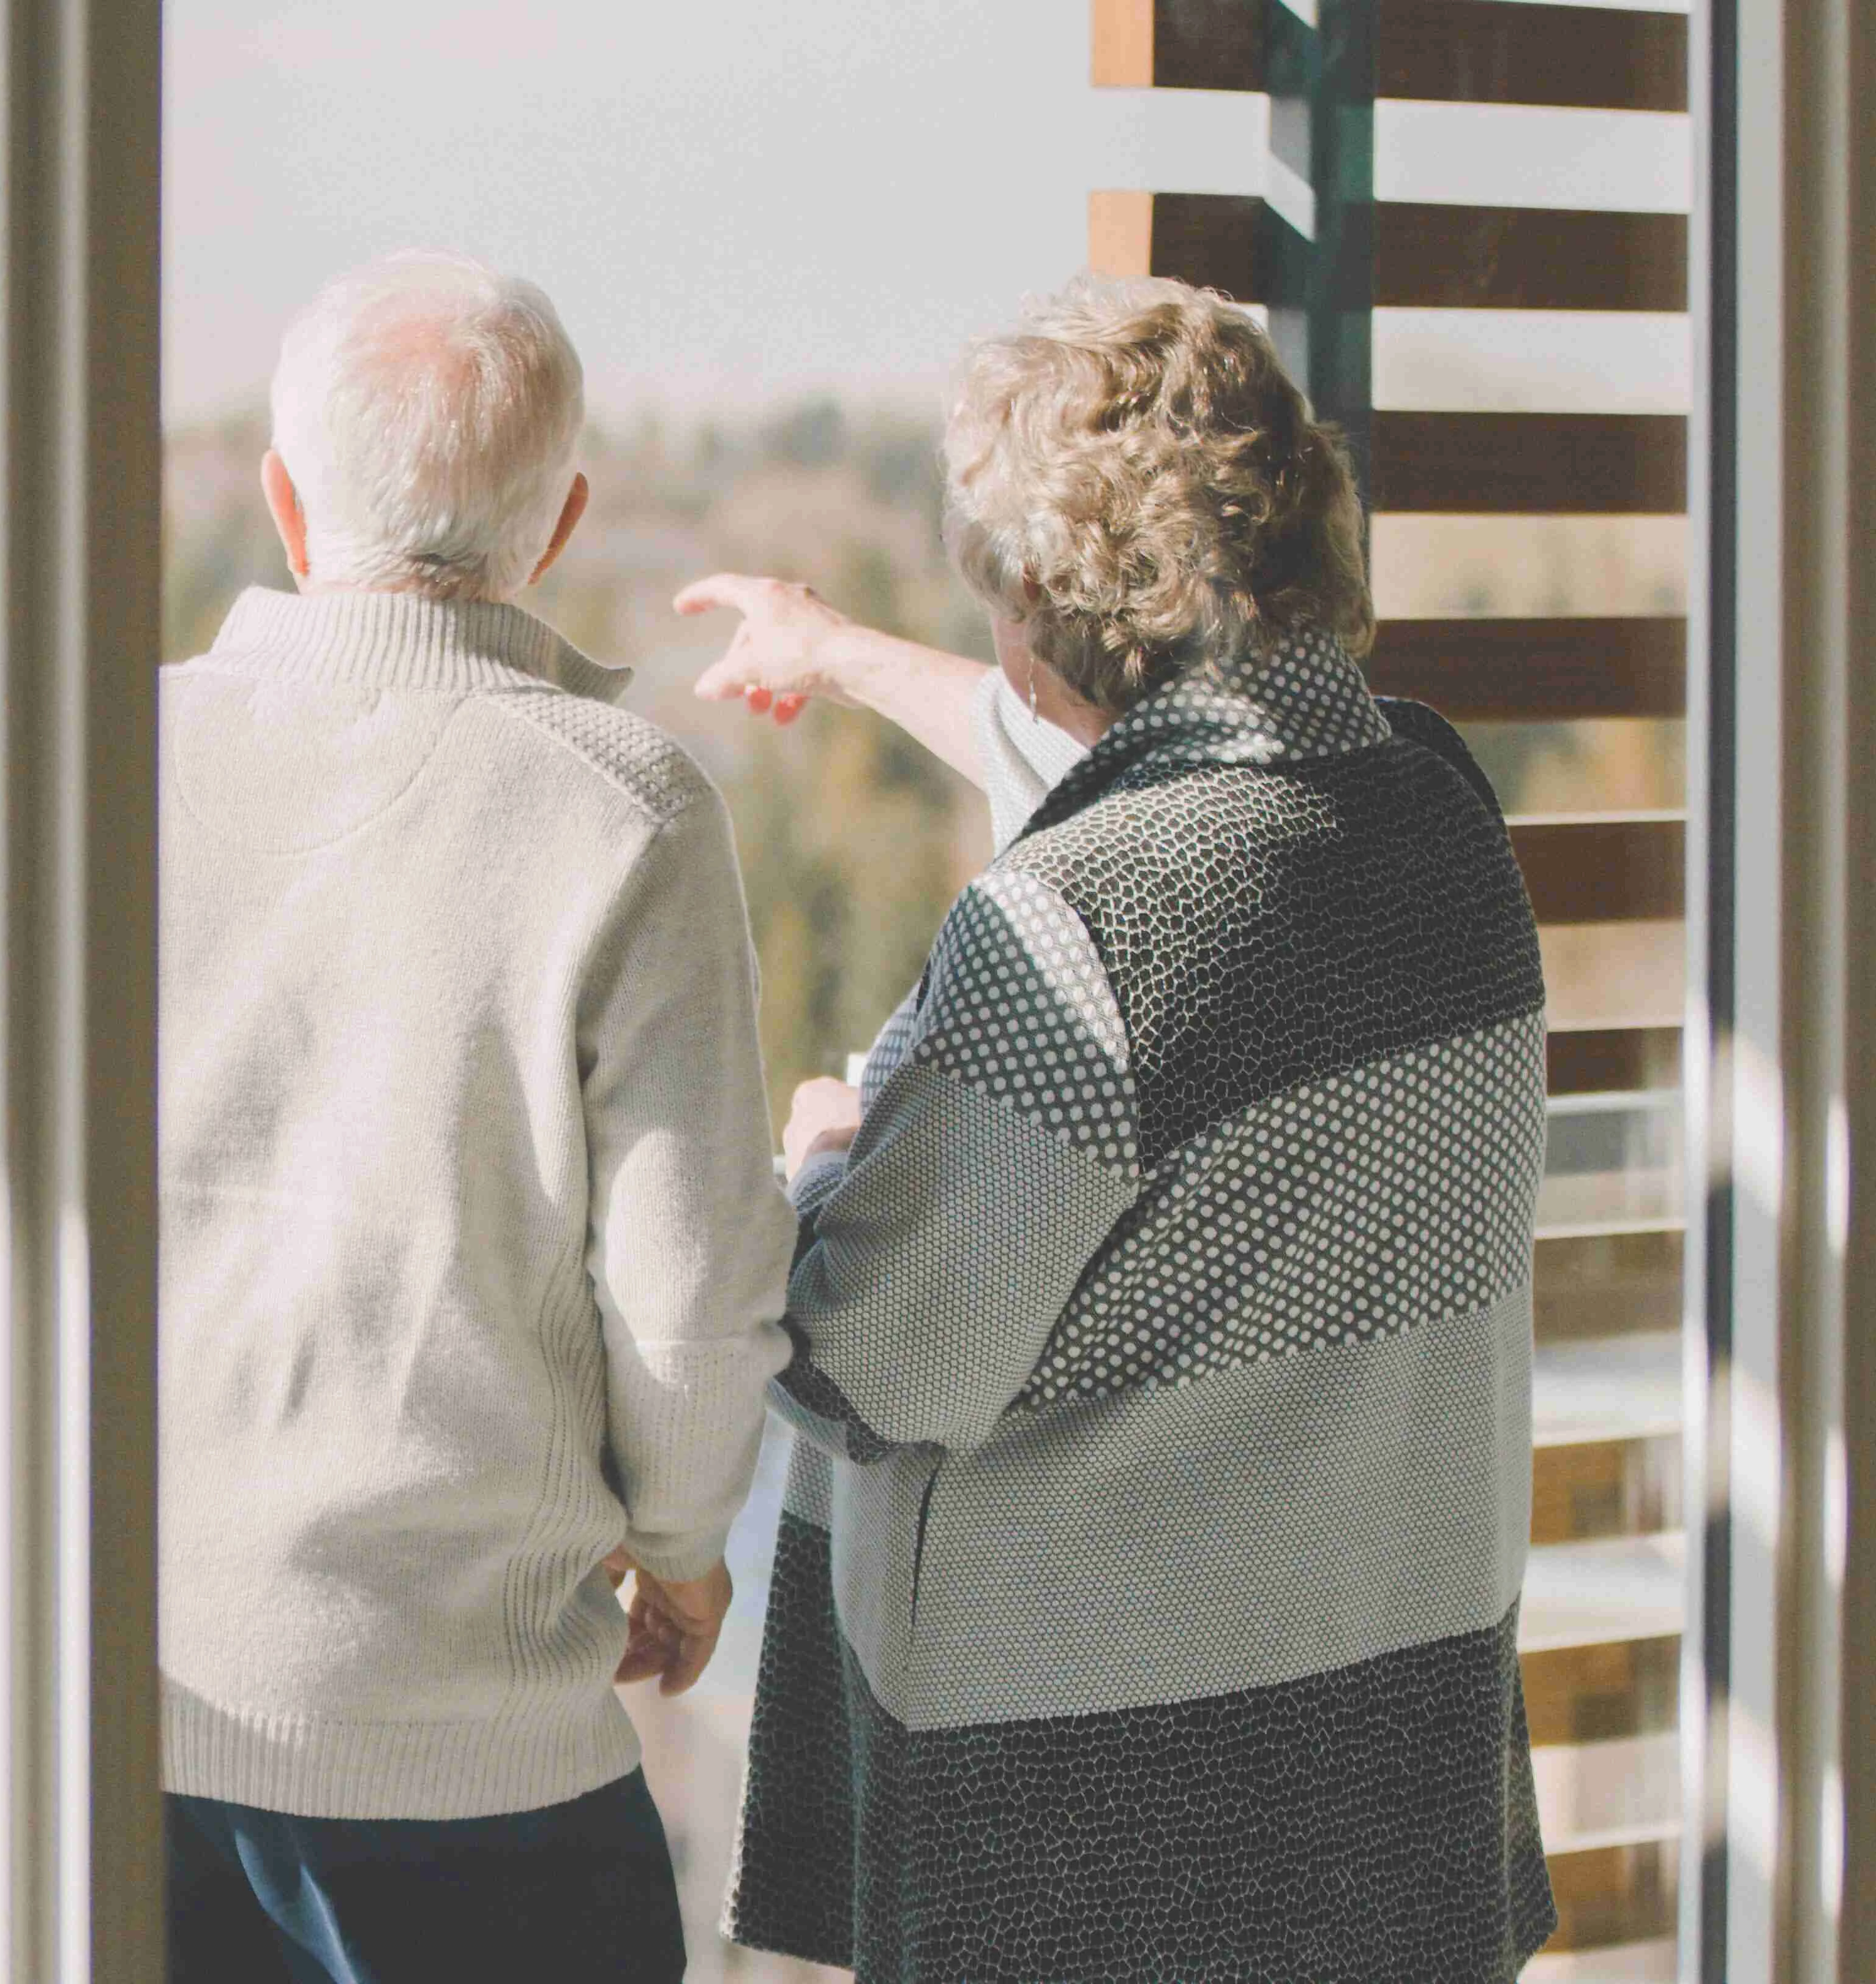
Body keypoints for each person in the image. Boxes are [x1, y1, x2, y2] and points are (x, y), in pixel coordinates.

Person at [683, 276, 1556, 1982]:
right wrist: (839, 652)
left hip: (1115, 1844)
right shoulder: (1436, 816)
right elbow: (1121, 768)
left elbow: (877, 1359)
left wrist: (824, 1153)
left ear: (1036, 610)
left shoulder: (1079, 937)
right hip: (1389, 1796)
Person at [130, 250, 792, 1983]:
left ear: (282, 503)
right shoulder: (623, 809)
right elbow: (695, 1289)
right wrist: (681, 1552)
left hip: (116, 1708)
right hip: (471, 1766)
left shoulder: (97, 764)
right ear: (559, 520)